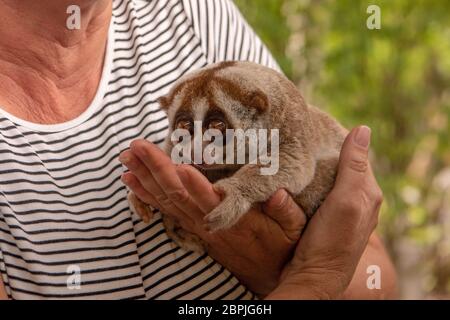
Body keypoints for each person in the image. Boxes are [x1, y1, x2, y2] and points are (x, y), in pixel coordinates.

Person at [0, 0, 396, 299]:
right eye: (187, 129)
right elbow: (334, 262)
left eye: (216, 130)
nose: (201, 146)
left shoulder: (192, 14)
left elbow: (377, 278)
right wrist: (311, 277)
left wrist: (275, 263)